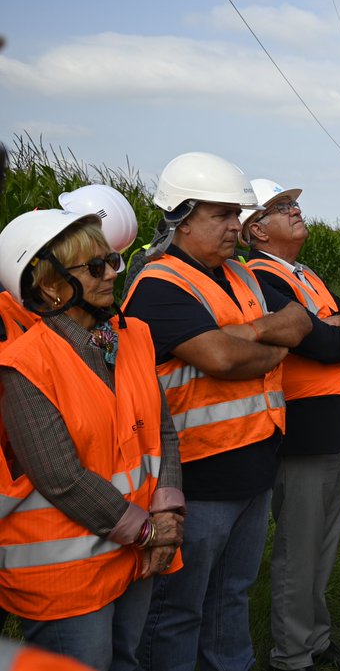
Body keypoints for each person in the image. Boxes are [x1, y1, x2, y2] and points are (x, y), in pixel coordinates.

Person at [123, 152, 312, 671]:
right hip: (196, 479)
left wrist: (246, 336)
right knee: (178, 610)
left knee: (232, 595)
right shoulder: (158, 286)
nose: (236, 227)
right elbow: (223, 359)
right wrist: (260, 339)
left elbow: (296, 324)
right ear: (181, 218)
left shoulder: (241, 275)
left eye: (237, 215)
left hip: (253, 464)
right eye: (221, 215)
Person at [0, 209, 185, 671]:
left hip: (133, 554)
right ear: (49, 285)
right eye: (95, 267)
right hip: (68, 572)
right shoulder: (24, 364)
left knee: (127, 659)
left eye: (113, 262)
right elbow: (60, 476)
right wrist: (147, 531)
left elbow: (163, 431)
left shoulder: (133, 337)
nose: (111, 275)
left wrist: (168, 517)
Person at [240, 180, 340, 671]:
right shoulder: (259, 277)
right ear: (256, 229)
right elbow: (318, 342)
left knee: (322, 543)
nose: (295, 211)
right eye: (281, 207)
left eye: (293, 203)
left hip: (333, 422)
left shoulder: (302, 273)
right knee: (300, 549)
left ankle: (316, 641)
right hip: (301, 428)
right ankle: (292, 656)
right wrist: (336, 329)